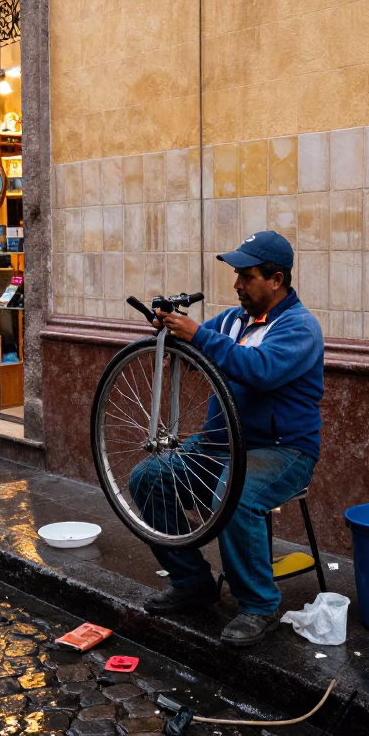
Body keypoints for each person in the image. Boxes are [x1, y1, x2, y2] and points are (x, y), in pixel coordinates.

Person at [128, 231, 325, 647]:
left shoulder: (299, 326)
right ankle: (192, 583)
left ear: (275, 279)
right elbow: (202, 351)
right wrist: (169, 331)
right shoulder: (233, 320)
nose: (237, 285)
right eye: (236, 275)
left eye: (246, 276)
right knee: (147, 477)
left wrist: (197, 335)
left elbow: (260, 369)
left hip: (281, 450)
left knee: (234, 493)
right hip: (220, 446)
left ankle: (259, 605)